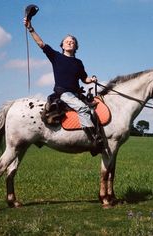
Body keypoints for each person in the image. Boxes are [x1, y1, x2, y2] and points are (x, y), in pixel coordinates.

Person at [24, 17, 103, 155]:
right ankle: (93, 140)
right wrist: (31, 28)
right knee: (83, 109)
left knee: (92, 109)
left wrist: (92, 79)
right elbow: (41, 43)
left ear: (75, 47)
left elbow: (84, 78)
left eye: (72, 42)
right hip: (63, 93)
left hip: (77, 93)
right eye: (67, 41)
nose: (70, 43)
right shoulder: (55, 56)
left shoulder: (78, 62)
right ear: (62, 45)